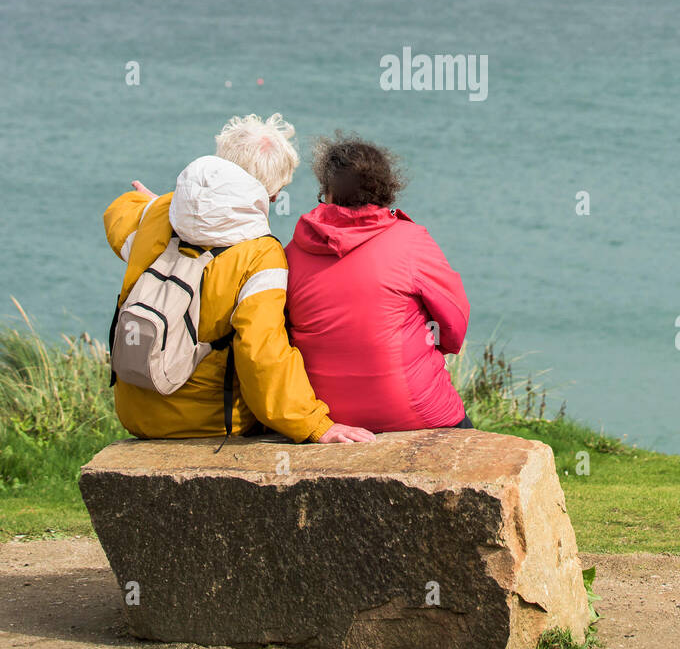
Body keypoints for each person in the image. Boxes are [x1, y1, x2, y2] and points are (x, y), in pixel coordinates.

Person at [104, 114, 375, 445]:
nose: (275, 199)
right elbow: (262, 352)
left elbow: (118, 215)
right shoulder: (260, 254)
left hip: (135, 410)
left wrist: (158, 204)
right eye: (277, 190)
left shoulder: (160, 213)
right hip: (209, 422)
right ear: (267, 192)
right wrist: (315, 425)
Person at [284, 134, 471, 432]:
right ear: (386, 188)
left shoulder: (292, 252)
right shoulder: (411, 241)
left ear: (328, 192)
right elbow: (455, 322)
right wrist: (432, 348)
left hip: (326, 416)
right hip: (413, 412)